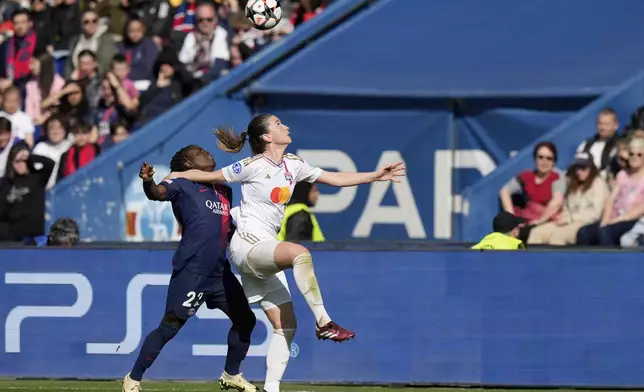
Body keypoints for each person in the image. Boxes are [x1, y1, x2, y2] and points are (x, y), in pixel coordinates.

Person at [166, 114, 406, 392]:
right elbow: (210, 176)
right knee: (300, 253)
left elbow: (334, 178)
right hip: (248, 245)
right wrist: (177, 176)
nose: (286, 127)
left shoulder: (294, 164)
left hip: (266, 249)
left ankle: (271, 389)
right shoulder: (253, 165)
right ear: (267, 137)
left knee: (285, 326)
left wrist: (376, 176)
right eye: (279, 124)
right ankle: (324, 322)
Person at [122, 145, 258, 392]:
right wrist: (149, 181)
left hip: (219, 272)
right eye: (199, 152)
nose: (207, 153)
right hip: (192, 270)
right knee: (169, 327)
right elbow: (156, 193)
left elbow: (225, 227)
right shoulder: (181, 183)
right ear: (187, 164)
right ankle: (133, 378)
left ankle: (231, 375)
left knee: (246, 320)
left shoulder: (225, 189)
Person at [0, 142, 55, 242]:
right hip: (12, 232)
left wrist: (30, 156)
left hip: (33, 232)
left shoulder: (38, 178)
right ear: (11, 163)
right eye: (17, 161)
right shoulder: (5, 182)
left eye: (23, 161)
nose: (20, 164)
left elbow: (50, 163)